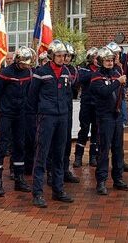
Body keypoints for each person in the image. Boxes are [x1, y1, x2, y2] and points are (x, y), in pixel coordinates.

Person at [28, 39, 75, 208]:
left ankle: (58, 190)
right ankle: (38, 193)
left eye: (64, 56)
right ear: (51, 56)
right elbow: (32, 97)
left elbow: (69, 94)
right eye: (59, 55)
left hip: (62, 117)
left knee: (59, 154)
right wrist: (39, 114)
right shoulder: (41, 72)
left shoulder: (66, 73)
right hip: (46, 117)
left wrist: (66, 114)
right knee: (42, 154)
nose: (62, 58)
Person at [0, 46, 34, 196]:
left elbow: (29, 92)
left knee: (19, 145)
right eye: (23, 63)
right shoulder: (5, 73)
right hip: (7, 114)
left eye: (27, 63)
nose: (25, 66)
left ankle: (19, 178)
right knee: (2, 146)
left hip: (21, 114)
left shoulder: (28, 72)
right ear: (17, 60)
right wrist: (4, 106)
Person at [90, 47, 128, 194]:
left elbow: (123, 88)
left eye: (112, 60)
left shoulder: (117, 72)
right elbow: (104, 92)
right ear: (101, 61)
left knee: (118, 149)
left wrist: (122, 82)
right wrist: (118, 82)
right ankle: (101, 181)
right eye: (107, 60)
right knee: (104, 149)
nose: (110, 63)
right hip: (105, 116)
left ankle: (118, 179)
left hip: (117, 115)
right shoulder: (96, 76)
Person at [107, 42, 128, 173]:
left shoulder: (120, 68)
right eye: (115, 54)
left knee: (119, 135)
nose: (118, 56)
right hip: (108, 107)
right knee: (107, 137)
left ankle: (120, 161)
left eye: (118, 54)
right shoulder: (106, 70)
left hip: (120, 101)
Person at [74, 47, 100, 167]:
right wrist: (95, 74)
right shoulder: (84, 68)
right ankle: (78, 156)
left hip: (97, 104)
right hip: (86, 103)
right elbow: (81, 78)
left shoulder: (102, 69)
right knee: (84, 129)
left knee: (96, 130)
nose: (97, 60)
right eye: (95, 58)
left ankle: (93, 156)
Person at [61, 43, 81, 184]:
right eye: (64, 55)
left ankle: (65, 170)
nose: (66, 58)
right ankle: (52, 171)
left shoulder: (72, 70)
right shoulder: (54, 69)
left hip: (67, 108)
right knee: (55, 142)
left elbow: (74, 83)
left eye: (68, 56)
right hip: (54, 109)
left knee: (67, 141)